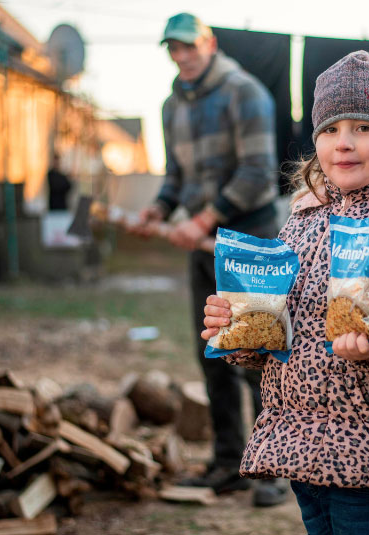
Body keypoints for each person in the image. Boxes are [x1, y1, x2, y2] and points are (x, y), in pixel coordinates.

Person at [200, 51, 369, 534]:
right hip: (304, 449)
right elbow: (283, 334)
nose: (343, 143)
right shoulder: (301, 222)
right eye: (330, 130)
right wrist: (239, 330)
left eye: (364, 128)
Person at [132, 13, 287, 507]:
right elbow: (175, 176)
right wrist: (158, 207)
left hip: (248, 239)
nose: (181, 57)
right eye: (173, 50)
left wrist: (203, 220)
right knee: (215, 353)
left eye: (188, 47)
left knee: (256, 355)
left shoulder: (244, 92)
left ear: (209, 43)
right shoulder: (171, 105)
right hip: (201, 245)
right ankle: (228, 464)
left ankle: (274, 470)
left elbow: (260, 173)